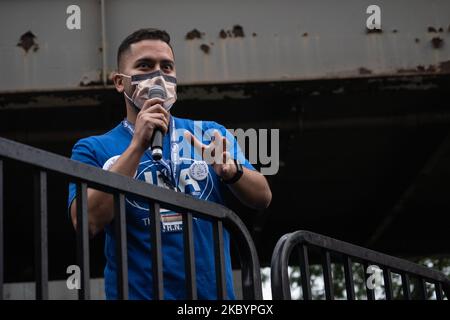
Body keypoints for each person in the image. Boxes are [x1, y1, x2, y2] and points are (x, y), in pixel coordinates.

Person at [67, 28, 272, 300]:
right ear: (119, 81)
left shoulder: (209, 133)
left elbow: (263, 197)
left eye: (167, 66)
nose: (158, 76)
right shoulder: (92, 148)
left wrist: (232, 173)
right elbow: (87, 222)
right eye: (144, 65)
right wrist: (138, 145)